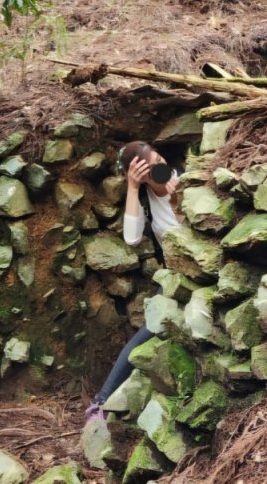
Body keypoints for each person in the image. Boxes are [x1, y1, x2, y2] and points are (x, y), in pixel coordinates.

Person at [84, 140, 180, 425]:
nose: (161, 169)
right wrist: (134, 187)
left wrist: (181, 197)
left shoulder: (189, 179)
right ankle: (101, 402)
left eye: (160, 159)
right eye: (151, 169)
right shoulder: (146, 200)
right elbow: (131, 238)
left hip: (207, 270)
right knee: (149, 329)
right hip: (176, 279)